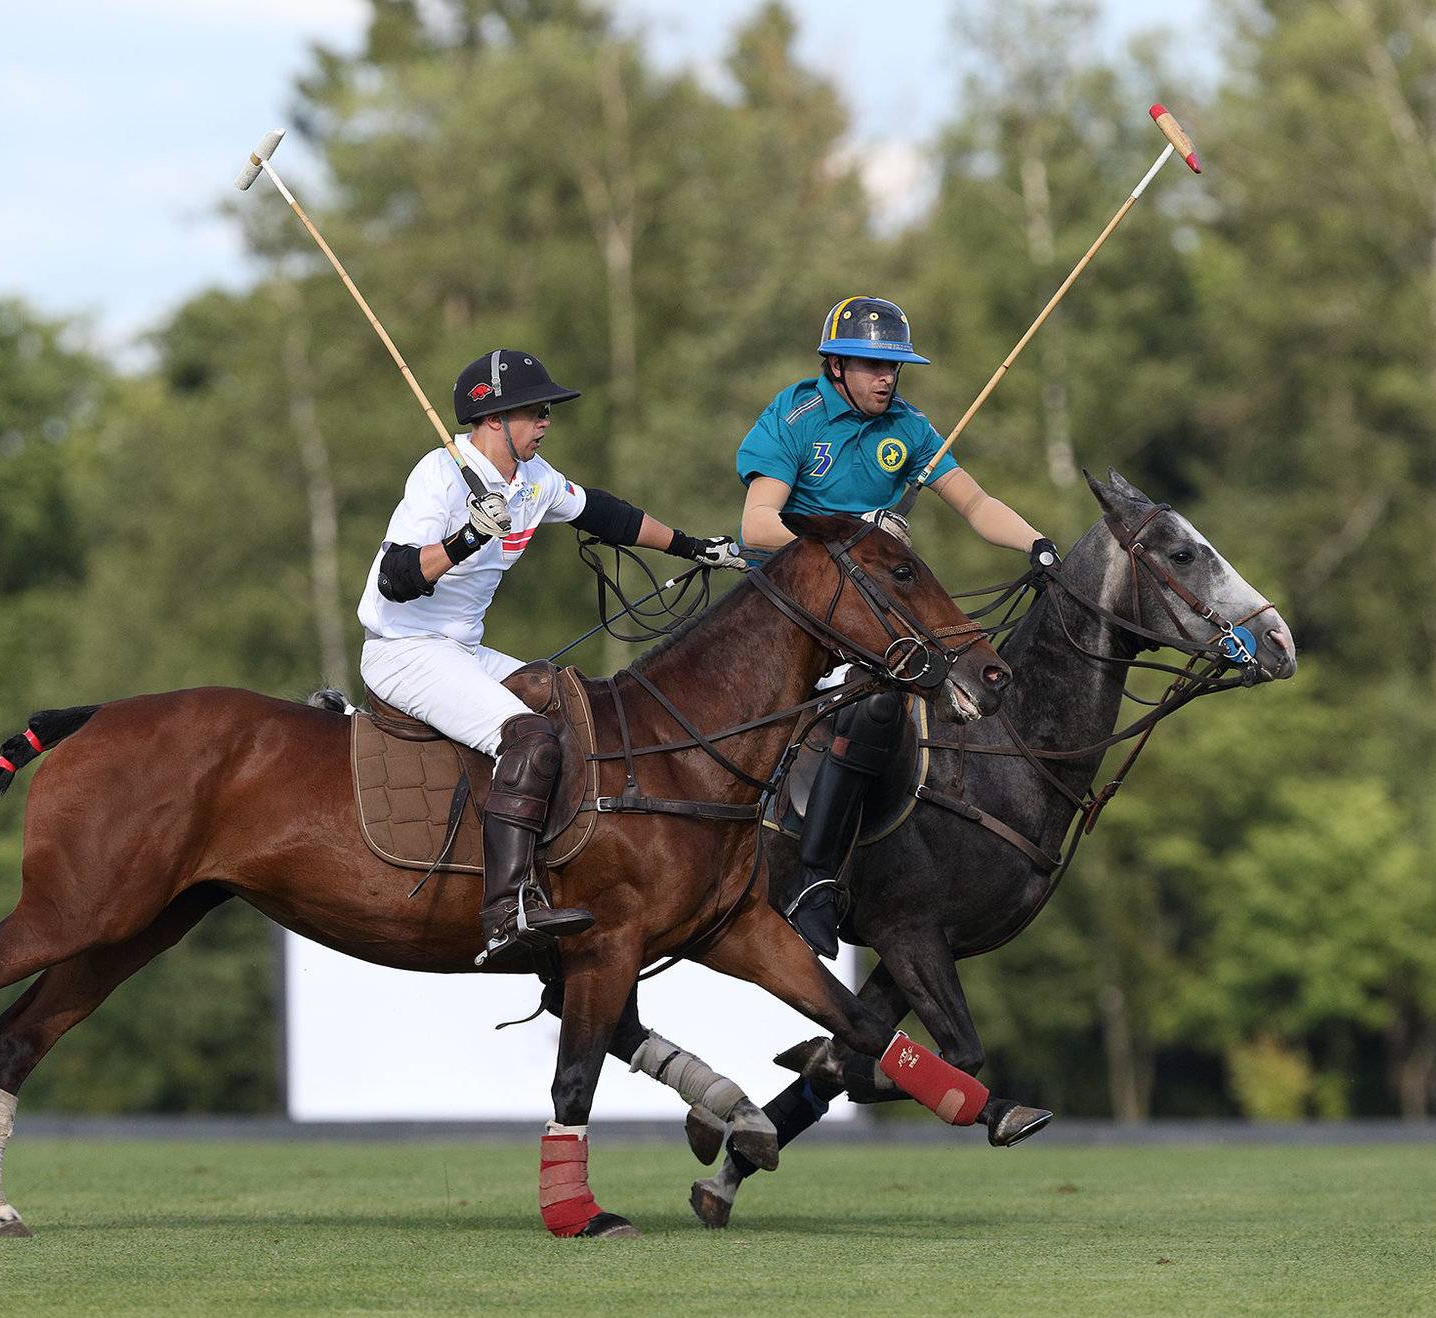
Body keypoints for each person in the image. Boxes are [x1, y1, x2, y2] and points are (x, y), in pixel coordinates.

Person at [361, 349, 741, 968]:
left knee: (571, 711)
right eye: (535, 413)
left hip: (459, 649)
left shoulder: (532, 479)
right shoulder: (440, 475)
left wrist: (695, 547)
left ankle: (561, 874)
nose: (544, 423)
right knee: (531, 738)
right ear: (494, 418)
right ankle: (504, 911)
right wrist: (464, 539)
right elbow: (395, 579)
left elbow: (604, 512)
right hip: (404, 651)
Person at [736, 297, 1057, 957]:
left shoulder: (908, 429)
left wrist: (1040, 546)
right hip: (787, 611)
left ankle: (854, 875)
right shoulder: (794, 417)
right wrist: (854, 536)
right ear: (835, 364)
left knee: (914, 694)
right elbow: (757, 523)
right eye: (872, 365)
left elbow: (975, 501)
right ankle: (811, 878)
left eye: (895, 366)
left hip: (871, 621)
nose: (887, 378)